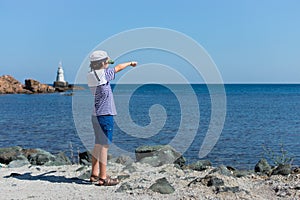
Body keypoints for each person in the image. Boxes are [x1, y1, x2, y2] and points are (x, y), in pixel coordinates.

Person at [87, 50, 137, 186]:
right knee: (104, 146)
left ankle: (94, 174)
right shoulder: (104, 74)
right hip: (105, 115)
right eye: (106, 61)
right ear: (103, 63)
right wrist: (130, 63)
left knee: (98, 144)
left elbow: (109, 67)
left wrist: (105, 61)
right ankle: (103, 178)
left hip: (95, 115)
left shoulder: (91, 75)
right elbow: (118, 67)